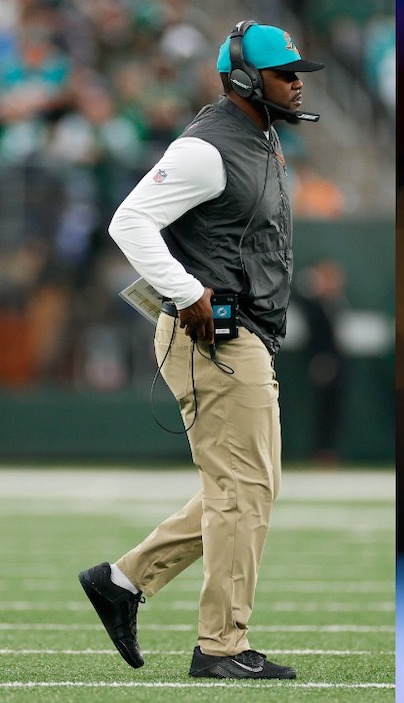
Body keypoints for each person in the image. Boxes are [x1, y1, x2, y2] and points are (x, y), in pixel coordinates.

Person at [77, 20, 323, 679]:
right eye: (286, 73)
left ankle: (123, 581)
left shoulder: (258, 138)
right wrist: (185, 292)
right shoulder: (207, 148)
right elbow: (128, 220)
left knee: (246, 487)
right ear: (247, 79)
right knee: (243, 489)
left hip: (240, 335)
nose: (297, 84)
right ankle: (221, 646)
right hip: (213, 334)